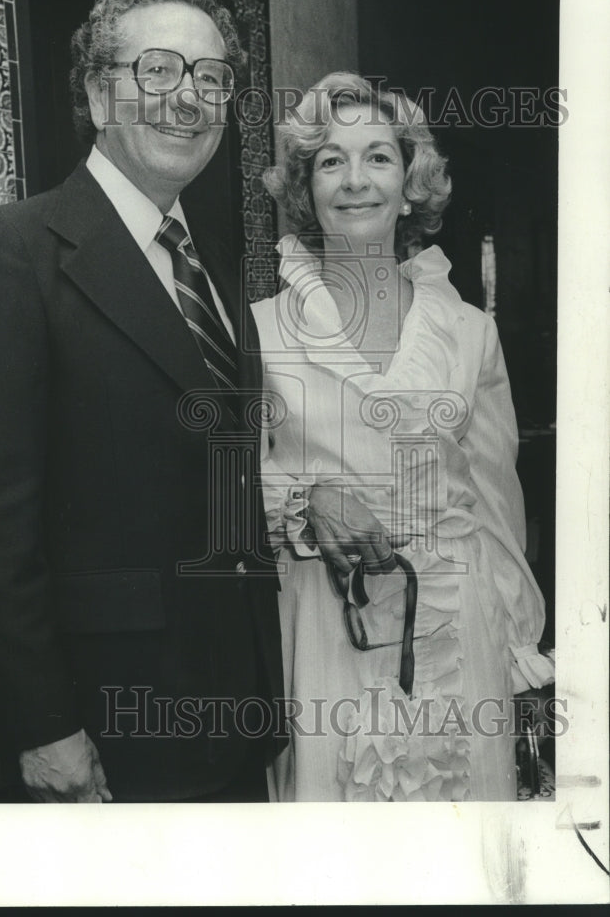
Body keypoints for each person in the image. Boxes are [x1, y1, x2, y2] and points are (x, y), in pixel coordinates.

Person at [0, 0, 285, 804]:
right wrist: (41, 724)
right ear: (97, 97)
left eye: (211, 77)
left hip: (235, 714)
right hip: (106, 720)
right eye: (156, 70)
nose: (189, 97)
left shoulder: (216, 268)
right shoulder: (12, 251)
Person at [252, 71, 554, 801]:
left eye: (378, 157)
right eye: (330, 160)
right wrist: (304, 499)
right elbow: (218, 485)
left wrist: (516, 649)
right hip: (322, 622)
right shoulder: (258, 329)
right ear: (304, 186)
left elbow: (493, 502)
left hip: (455, 622)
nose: (354, 181)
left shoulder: (467, 332)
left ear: (411, 181)